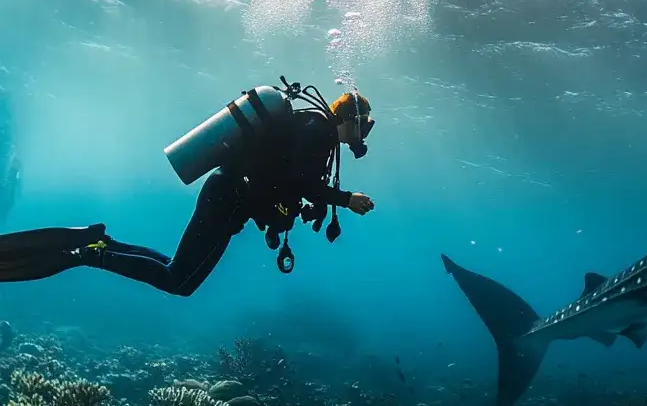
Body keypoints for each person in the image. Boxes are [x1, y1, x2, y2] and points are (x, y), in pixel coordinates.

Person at [0, 78, 376, 295]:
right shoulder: (317, 132)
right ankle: (90, 254)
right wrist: (346, 199)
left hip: (226, 193)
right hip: (228, 199)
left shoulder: (313, 129)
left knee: (174, 268)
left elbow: (289, 180)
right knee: (179, 281)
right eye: (368, 124)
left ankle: (104, 244)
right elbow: (299, 181)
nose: (367, 133)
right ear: (353, 119)